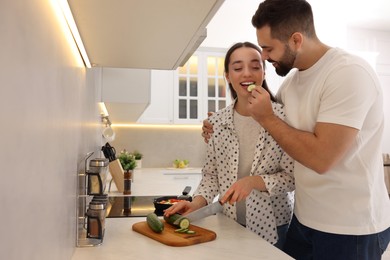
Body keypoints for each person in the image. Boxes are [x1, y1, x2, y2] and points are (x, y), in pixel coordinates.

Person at [203, 0, 390, 259]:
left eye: (268, 49)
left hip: (350, 228)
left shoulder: (348, 73)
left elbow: (321, 159)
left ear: (296, 40)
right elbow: (271, 129)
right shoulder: (291, 85)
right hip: (303, 221)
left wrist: (267, 118)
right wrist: (216, 124)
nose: (265, 57)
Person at [164, 41, 295, 249]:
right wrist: (196, 204)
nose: (247, 74)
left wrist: (254, 182)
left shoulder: (283, 118)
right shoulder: (217, 122)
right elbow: (211, 176)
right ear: (227, 75)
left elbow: (291, 178)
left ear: (263, 72)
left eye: (255, 66)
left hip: (274, 226)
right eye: (237, 68)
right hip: (229, 224)